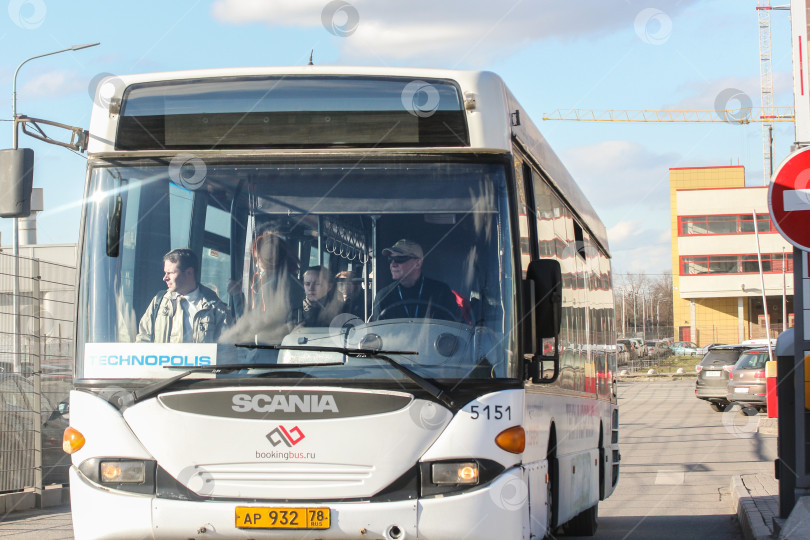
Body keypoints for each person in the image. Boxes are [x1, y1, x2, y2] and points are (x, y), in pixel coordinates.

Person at [136, 248, 231, 343]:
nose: (165, 278)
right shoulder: (159, 301)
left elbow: (224, 350)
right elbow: (143, 340)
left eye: (170, 273)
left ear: (189, 272)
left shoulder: (215, 308)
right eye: (165, 273)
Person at [229, 223, 304, 327]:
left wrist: (236, 294)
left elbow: (250, 327)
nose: (256, 265)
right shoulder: (296, 283)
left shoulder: (269, 287)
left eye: (258, 259)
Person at [371, 239, 461, 322]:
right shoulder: (383, 297)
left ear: (418, 263)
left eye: (399, 259)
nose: (393, 264)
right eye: (390, 259)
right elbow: (376, 335)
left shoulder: (441, 292)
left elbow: (455, 329)